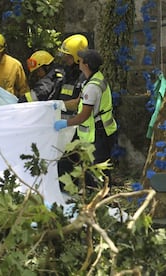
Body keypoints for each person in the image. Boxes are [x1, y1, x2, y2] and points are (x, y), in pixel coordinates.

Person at [54, 49, 118, 187]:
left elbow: (84, 116)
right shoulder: (94, 79)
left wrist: (65, 123)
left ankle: (102, 201)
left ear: (86, 65)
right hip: (97, 132)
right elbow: (78, 101)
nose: (79, 61)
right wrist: (59, 105)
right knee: (77, 164)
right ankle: (89, 194)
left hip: (98, 134)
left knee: (98, 172)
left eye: (81, 60)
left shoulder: (92, 87)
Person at [57, 34, 89, 117]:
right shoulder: (67, 73)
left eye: (68, 56)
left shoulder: (85, 76)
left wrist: (57, 105)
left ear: (78, 58)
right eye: (64, 55)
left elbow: (78, 103)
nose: (65, 58)